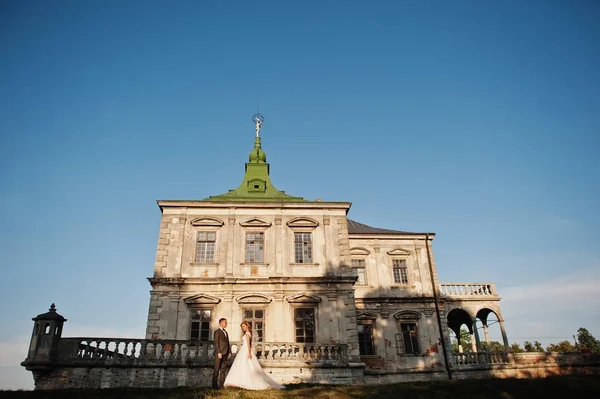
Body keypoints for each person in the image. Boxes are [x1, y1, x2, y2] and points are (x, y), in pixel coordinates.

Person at [223, 321, 285, 390]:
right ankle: (240, 381)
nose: (242, 328)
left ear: (247, 326)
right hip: (244, 350)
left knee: (246, 365)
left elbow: (248, 344)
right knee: (243, 366)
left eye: (244, 326)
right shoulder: (248, 333)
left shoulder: (247, 333)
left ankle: (243, 381)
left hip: (246, 350)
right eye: (242, 327)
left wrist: (249, 353)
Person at [212, 318, 231, 389]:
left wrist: (229, 352)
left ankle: (221, 385)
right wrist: (218, 352)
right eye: (225, 322)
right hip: (219, 353)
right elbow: (216, 343)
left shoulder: (226, 332)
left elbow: (228, 343)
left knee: (223, 369)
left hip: (225, 353)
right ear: (221, 323)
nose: (226, 324)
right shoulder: (217, 332)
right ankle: (214, 386)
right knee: (216, 369)